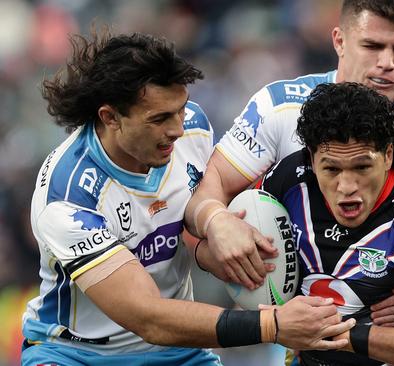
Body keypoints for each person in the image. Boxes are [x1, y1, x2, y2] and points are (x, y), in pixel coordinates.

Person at [21, 29, 354, 366]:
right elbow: (147, 317)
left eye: (179, 109)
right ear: (110, 117)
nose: (177, 128)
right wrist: (273, 325)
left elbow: (182, 221)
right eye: (160, 118)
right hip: (77, 355)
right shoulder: (68, 198)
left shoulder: (192, 127)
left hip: (176, 354)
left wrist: (215, 227)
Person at [186, 0, 394, 326]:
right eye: (372, 46)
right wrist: (217, 223)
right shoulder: (278, 108)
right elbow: (211, 185)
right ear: (339, 41)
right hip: (301, 335)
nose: (388, 63)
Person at [257, 81, 394, 366]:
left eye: (362, 167)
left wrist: (343, 337)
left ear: (388, 156)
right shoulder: (289, 181)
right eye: (331, 169)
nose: (347, 186)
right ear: (312, 160)